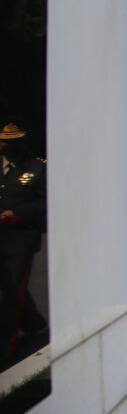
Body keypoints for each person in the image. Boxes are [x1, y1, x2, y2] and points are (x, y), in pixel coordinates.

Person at [0, 123, 48, 361]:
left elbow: (44, 202)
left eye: (8, 141)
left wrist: (16, 214)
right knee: (10, 286)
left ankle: (5, 349)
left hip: (20, 239)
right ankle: (35, 325)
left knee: (11, 292)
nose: (3, 145)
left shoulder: (36, 169)